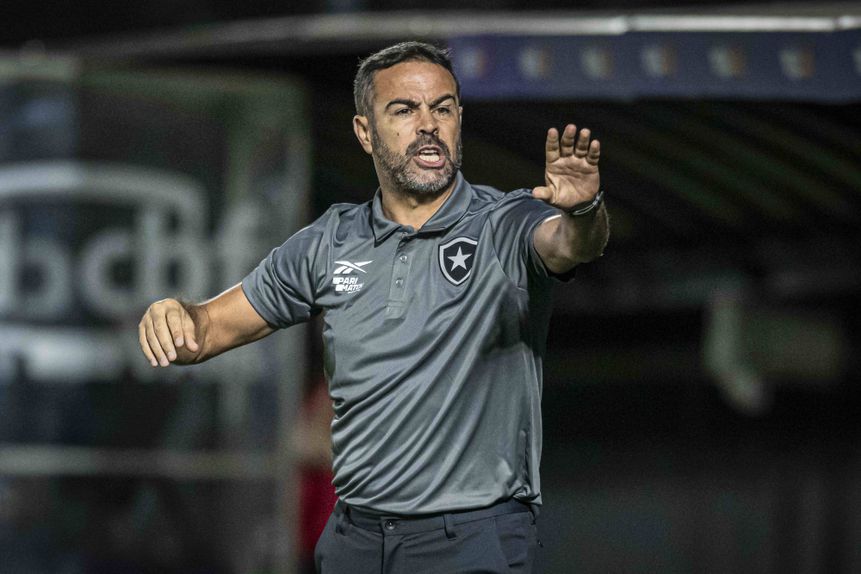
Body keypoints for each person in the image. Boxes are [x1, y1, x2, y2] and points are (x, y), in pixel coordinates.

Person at [138, 41, 609, 573]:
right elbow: (206, 330)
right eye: (404, 110)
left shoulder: (504, 221)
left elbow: (569, 245)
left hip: (471, 538)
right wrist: (175, 314)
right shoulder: (328, 241)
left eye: (443, 108)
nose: (428, 124)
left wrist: (584, 211)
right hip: (357, 540)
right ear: (365, 132)